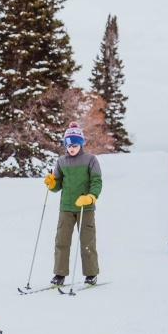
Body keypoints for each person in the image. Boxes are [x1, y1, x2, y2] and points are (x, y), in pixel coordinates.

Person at [44, 122, 103, 286]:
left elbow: (96, 181)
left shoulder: (91, 160)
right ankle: (59, 274)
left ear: (81, 144)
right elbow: (57, 185)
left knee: (87, 241)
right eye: (68, 145)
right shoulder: (61, 161)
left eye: (75, 145)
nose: (71, 148)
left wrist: (91, 197)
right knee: (61, 241)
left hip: (86, 208)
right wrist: (51, 183)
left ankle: (91, 274)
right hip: (66, 208)